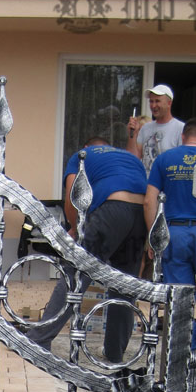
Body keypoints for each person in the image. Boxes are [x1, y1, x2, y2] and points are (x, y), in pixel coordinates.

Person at [28, 138, 148, 363]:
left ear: (86, 147)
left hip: (112, 209)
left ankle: (38, 340)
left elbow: (72, 197)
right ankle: (114, 352)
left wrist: (75, 228)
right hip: (140, 214)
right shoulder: (130, 158)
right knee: (124, 284)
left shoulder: (81, 157)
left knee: (75, 274)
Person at [144, 117, 196, 350]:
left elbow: (149, 200)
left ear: (183, 136)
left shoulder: (165, 159)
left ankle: (181, 350)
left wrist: (153, 236)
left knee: (179, 297)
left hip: (175, 233)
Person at [127, 84, 185, 173]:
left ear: (169, 103)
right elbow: (133, 160)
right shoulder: (145, 128)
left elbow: (183, 162)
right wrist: (132, 136)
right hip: (146, 180)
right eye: (151, 101)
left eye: (157, 101)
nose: (153, 106)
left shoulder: (181, 128)